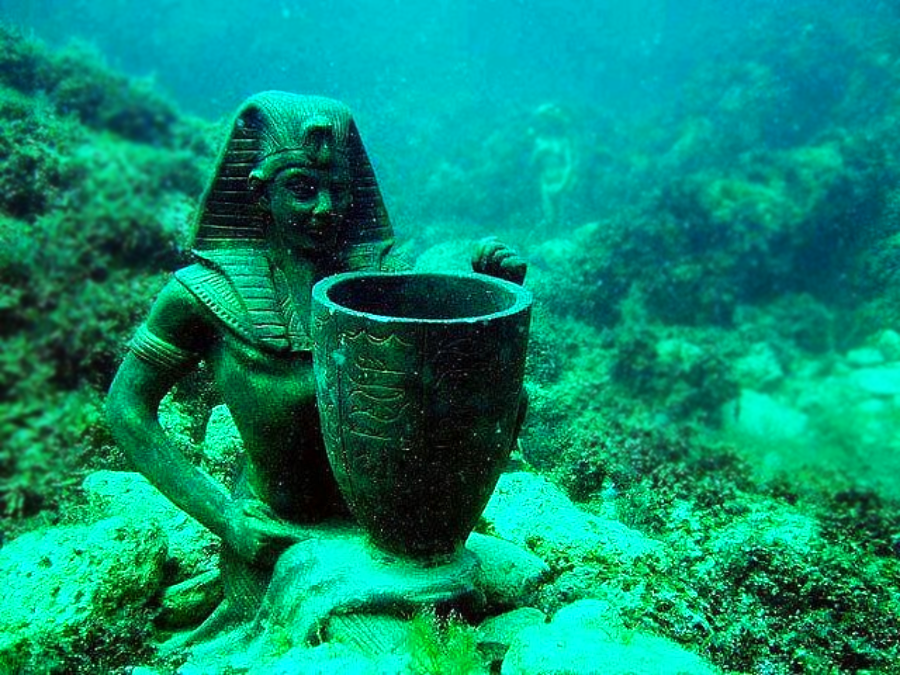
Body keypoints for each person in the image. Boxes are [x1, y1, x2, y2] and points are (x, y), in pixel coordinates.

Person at [106, 91, 526, 624]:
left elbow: (443, 319)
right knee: (376, 644)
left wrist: (486, 284)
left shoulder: (381, 285)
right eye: (302, 190)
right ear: (260, 194)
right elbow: (126, 408)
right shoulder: (202, 295)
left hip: (394, 533)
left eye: (338, 190)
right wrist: (227, 519)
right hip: (280, 540)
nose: (325, 209)